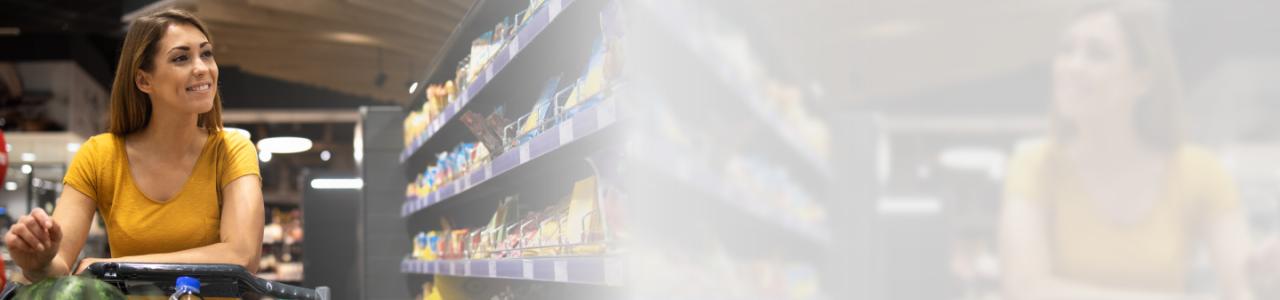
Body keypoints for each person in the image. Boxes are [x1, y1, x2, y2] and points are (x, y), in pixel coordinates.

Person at [999, 0, 1253, 299]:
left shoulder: (1200, 172)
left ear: (1142, 79)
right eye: (1066, 50)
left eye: (1097, 54)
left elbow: (1243, 288)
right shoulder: (1034, 166)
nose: (1073, 66)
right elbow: (1027, 290)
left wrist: (1267, 279)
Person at [2, 9, 263, 283]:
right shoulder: (100, 156)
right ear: (143, 80)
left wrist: (112, 267)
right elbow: (59, 265)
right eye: (181, 58)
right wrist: (38, 264)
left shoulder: (231, 150)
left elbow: (241, 256)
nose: (201, 67)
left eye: (206, 53)